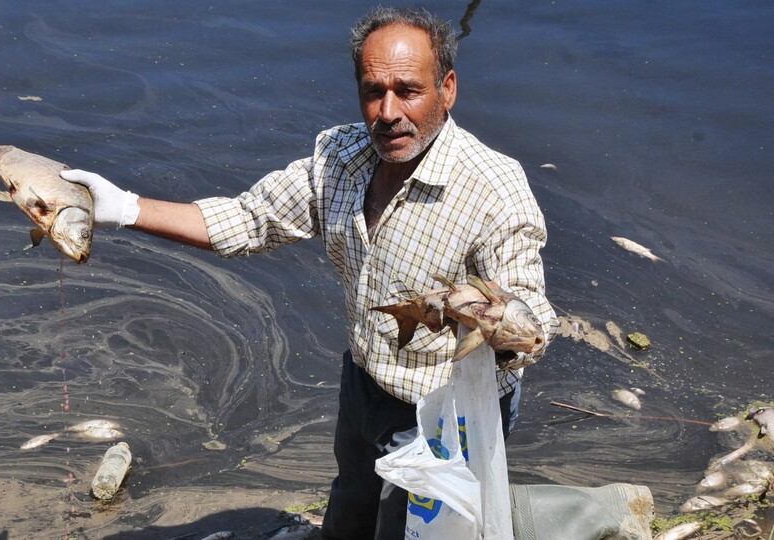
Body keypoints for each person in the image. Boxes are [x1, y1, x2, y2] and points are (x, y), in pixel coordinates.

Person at [61, 7, 558, 539]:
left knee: (409, 531)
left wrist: (501, 325)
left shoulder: (494, 189)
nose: (387, 112)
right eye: (373, 90)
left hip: (446, 415)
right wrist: (124, 208)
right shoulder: (341, 157)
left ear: (447, 89)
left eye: (408, 90)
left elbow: (534, 321)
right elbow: (250, 219)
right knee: (348, 507)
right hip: (366, 382)